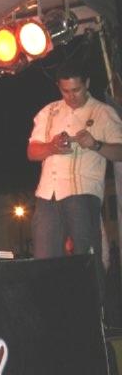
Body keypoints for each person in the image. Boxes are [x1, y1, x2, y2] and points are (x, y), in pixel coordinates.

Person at [27, 60, 122, 264]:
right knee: (45, 262)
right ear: (58, 87)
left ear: (87, 83)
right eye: (66, 91)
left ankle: (92, 285)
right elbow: (32, 152)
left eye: (76, 90)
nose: (71, 96)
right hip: (47, 195)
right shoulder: (48, 111)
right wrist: (52, 147)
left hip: (82, 193)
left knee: (86, 259)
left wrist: (96, 144)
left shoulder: (103, 112)